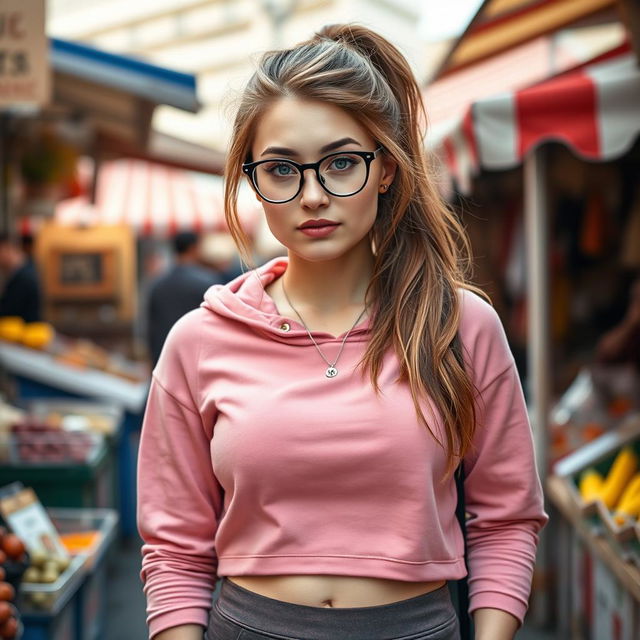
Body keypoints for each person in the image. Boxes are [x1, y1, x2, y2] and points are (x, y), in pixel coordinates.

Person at [137, 25, 548, 640]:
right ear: (251, 178)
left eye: (341, 163)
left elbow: (507, 517)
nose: (312, 196)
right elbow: (174, 546)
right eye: (281, 169)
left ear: (385, 169)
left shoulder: (458, 327)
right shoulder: (198, 341)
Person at [146, 231, 223, 367]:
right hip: (199, 358)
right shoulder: (208, 283)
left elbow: (151, 329)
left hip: (165, 357)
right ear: (194, 248)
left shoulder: (157, 285)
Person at [0, 232, 41, 323]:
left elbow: (9, 312)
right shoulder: (26, 269)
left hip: (23, 333)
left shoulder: (24, 277)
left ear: (6, 248)